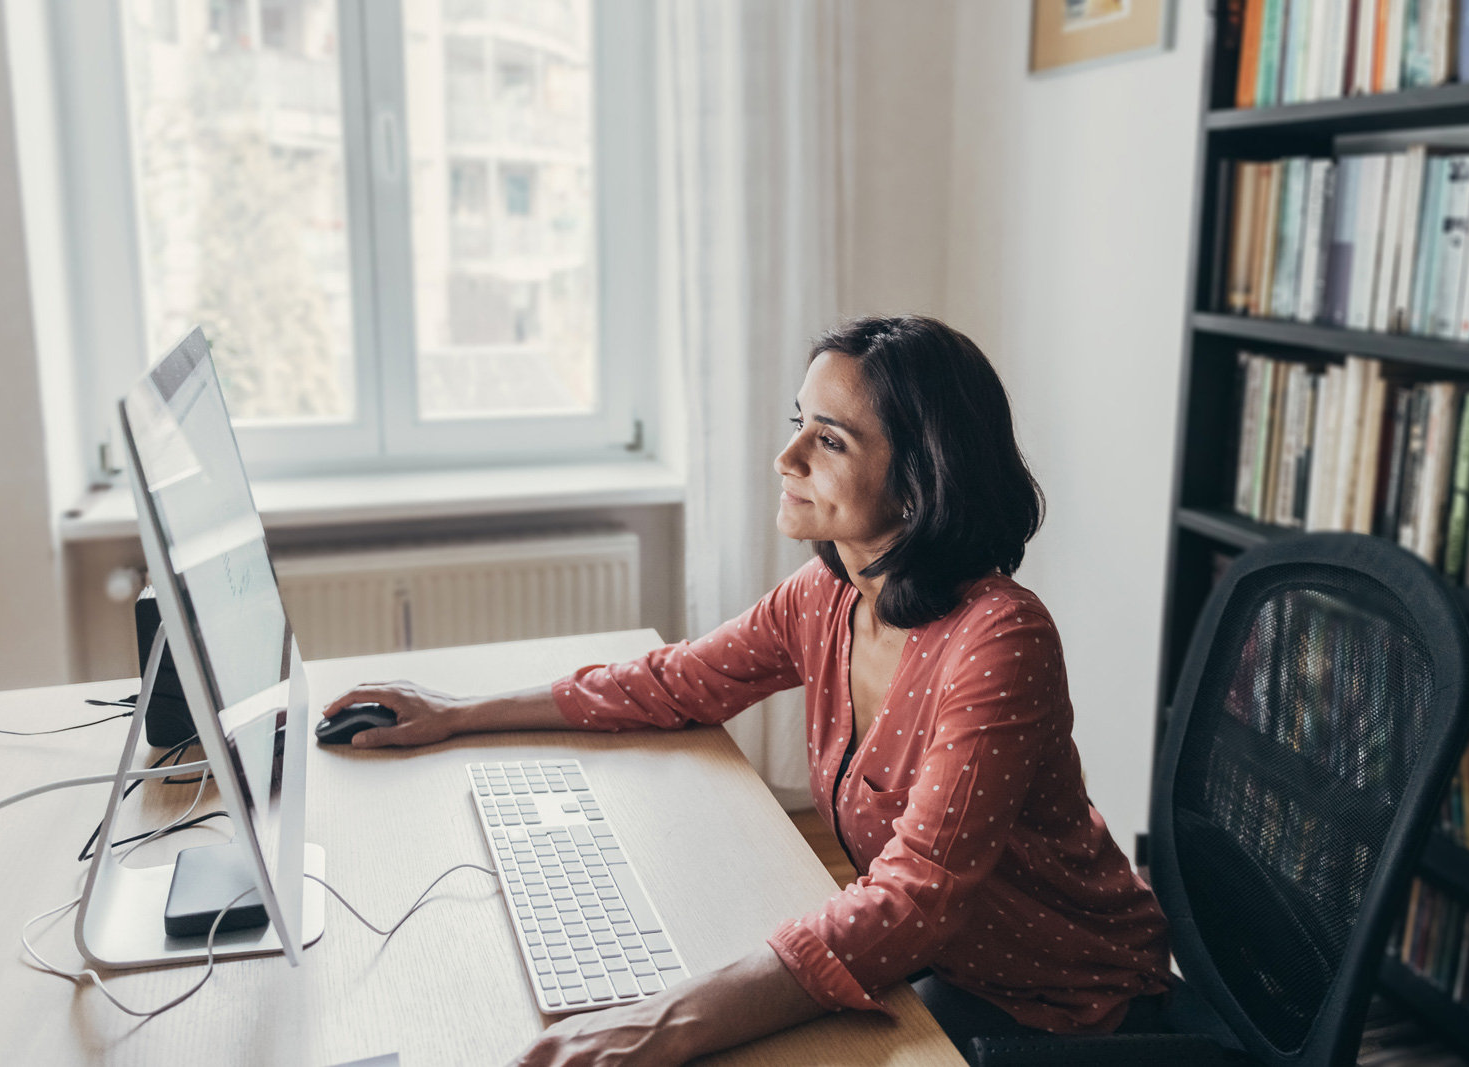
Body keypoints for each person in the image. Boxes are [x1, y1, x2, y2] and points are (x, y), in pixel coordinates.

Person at [323, 315, 1171, 1065]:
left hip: (1063, 1004)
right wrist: (455, 713)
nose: (787, 455)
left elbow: (912, 902)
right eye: (799, 423)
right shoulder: (833, 591)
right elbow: (672, 683)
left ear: (919, 482)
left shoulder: (1000, 639)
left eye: (829, 440)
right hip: (944, 964)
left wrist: (662, 1022)